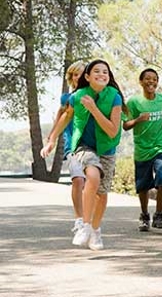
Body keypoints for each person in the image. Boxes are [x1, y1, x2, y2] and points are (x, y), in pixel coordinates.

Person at [41, 59, 127, 251]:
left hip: (107, 148)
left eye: (105, 72)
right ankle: (85, 226)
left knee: (102, 195)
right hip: (83, 146)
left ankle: (95, 229)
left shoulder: (115, 97)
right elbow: (66, 116)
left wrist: (94, 110)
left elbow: (113, 131)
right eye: (96, 71)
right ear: (87, 77)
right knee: (92, 176)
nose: (102, 74)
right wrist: (52, 139)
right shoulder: (78, 95)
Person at [122, 68, 162, 231]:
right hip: (142, 149)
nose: (151, 81)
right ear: (141, 82)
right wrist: (138, 119)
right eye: (148, 79)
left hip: (160, 147)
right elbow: (125, 125)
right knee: (143, 186)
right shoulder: (134, 102)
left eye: (154, 79)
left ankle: (158, 215)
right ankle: (144, 215)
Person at [44, 61, 86, 235]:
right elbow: (61, 117)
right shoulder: (66, 98)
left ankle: (89, 218)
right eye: (75, 74)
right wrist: (51, 139)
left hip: (92, 145)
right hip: (73, 146)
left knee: (92, 184)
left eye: (82, 74)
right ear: (71, 77)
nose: (78, 77)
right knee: (78, 180)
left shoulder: (94, 96)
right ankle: (79, 220)